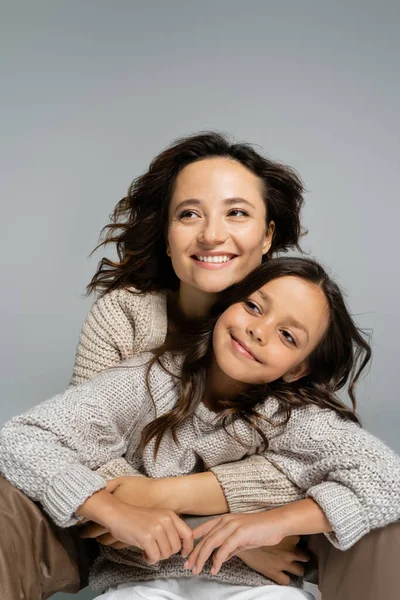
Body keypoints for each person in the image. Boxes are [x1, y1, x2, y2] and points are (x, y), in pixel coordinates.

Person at [1, 257, 399, 600]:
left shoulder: (294, 417)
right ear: (228, 304)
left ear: (297, 368)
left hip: (256, 587)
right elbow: (20, 437)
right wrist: (114, 511)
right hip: (141, 583)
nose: (259, 330)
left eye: (287, 335)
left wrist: (271, 523)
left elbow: (388, 480)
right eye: (254, 307)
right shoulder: (146, 380)